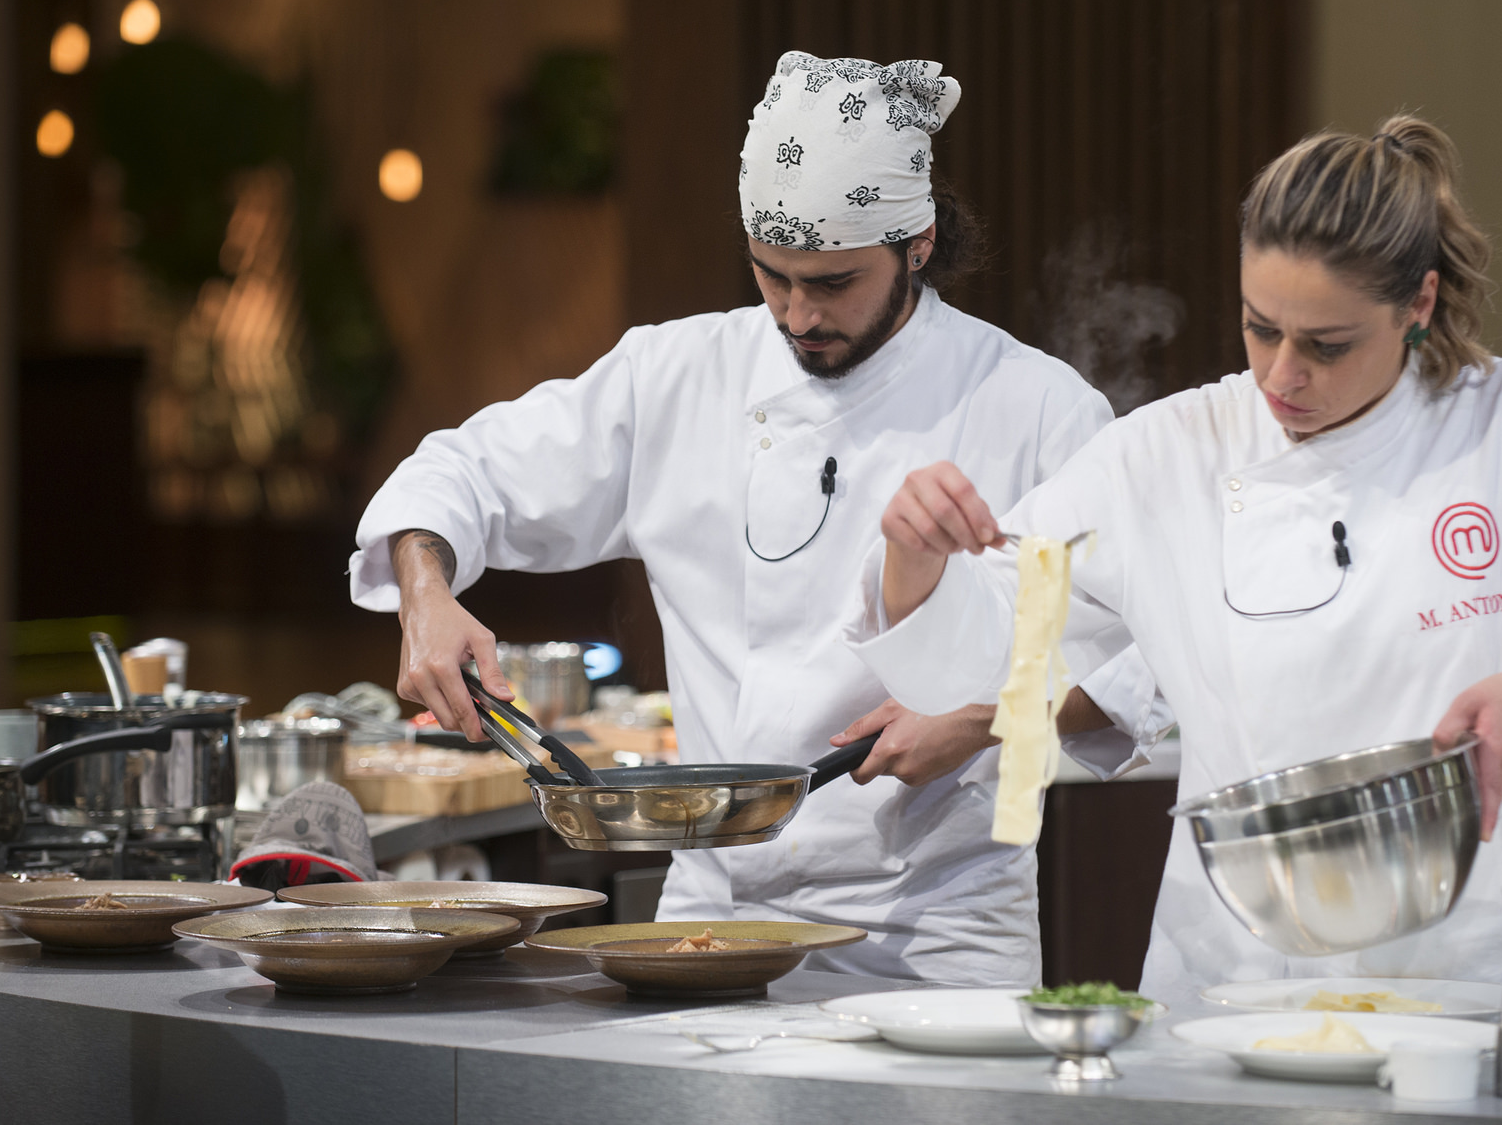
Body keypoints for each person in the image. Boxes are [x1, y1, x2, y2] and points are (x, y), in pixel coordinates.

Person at [851, 116, 1502, 997]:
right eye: (1259, 327)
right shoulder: (1166, 455)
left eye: (1326, 345)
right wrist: (916, 559)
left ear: (1418, 304)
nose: (1280, 376)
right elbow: (986, 646)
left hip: (1500, 968)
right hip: (1245, 972)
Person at [349, 51, 1138, 984]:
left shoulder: (1036, 407)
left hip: (935, 930)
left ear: (918, 241)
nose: (800, 313)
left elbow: (1136, 660)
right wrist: (427, 593)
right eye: (773, 276)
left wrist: (986, 719)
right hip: (714, 913)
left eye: (836, 283)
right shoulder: (676, 375)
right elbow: (458, 471)